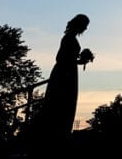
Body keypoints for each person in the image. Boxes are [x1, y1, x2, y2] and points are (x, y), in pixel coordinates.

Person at [32, 14, 94, 154]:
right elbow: (61, 58)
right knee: (61, 106)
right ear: (79, 24)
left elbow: (68, 59)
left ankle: (59, 138)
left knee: (65, 107)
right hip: (64, 76)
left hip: (68, 74)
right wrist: (75, 62)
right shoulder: (68, 38)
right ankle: (55, 142)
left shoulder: (70, 38)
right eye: (85, 25)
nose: (85, 28)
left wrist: (80, 61)